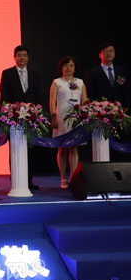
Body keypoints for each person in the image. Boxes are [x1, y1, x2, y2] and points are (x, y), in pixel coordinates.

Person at [0, 45, 41, 190]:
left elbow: (38, 94)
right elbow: (4, 95)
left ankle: (29, 180)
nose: (22, 58)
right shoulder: (7, 73)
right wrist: (7, 112)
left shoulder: (34, 74)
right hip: (14, 118)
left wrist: (38, 112)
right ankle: (16, 178)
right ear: (14, 57)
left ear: (28, 57)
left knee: (31, 149)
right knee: (15, 148)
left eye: (24, 55)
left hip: (31, 118)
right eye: (19, 55)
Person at [50, 56, 87, 189]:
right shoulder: (57, 82)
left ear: (75, 68)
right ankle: (63, 178)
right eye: (65, 66)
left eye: (71, 65)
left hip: (76, 120)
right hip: (61, 119)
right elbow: (52, 100)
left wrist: (85, 116)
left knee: (74, 148)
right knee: (63, 148)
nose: (68, 68)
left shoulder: (80, 82)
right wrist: (53, 116)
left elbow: (85, 101)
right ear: (61, 68)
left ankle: (73, 177)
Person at [86, 42, 128, 107]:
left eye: (111, 51)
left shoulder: (121, 72)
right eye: (105, 51)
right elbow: (91, 94)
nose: (109, 53)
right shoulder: (93, 73)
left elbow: (125, 91)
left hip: (120, 110)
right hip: (101, 110)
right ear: (100, 55)